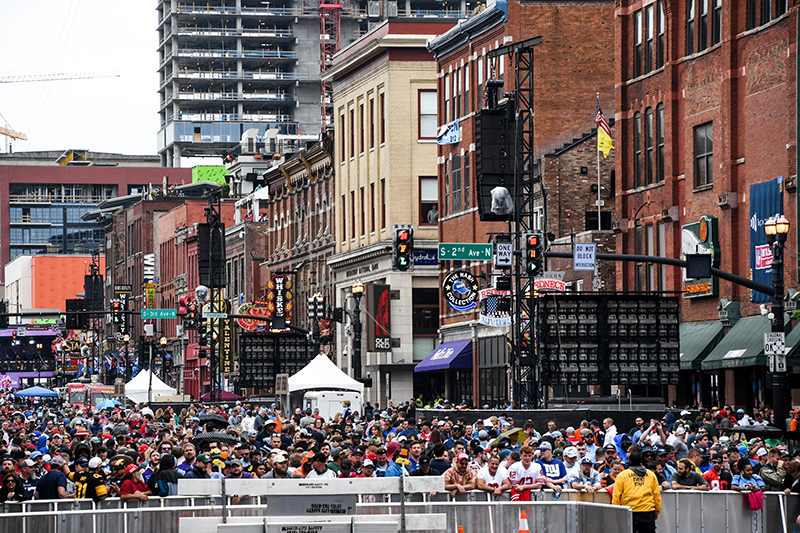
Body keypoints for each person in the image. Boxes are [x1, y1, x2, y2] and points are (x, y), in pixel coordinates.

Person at [612, 450, 661, 533]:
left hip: (629, 512)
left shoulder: (622, 475)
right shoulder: (651, 474)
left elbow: (616, 495)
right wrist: (657, 511)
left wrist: (617, 512)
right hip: (647, 512)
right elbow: (656, 495)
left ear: (630, 461)